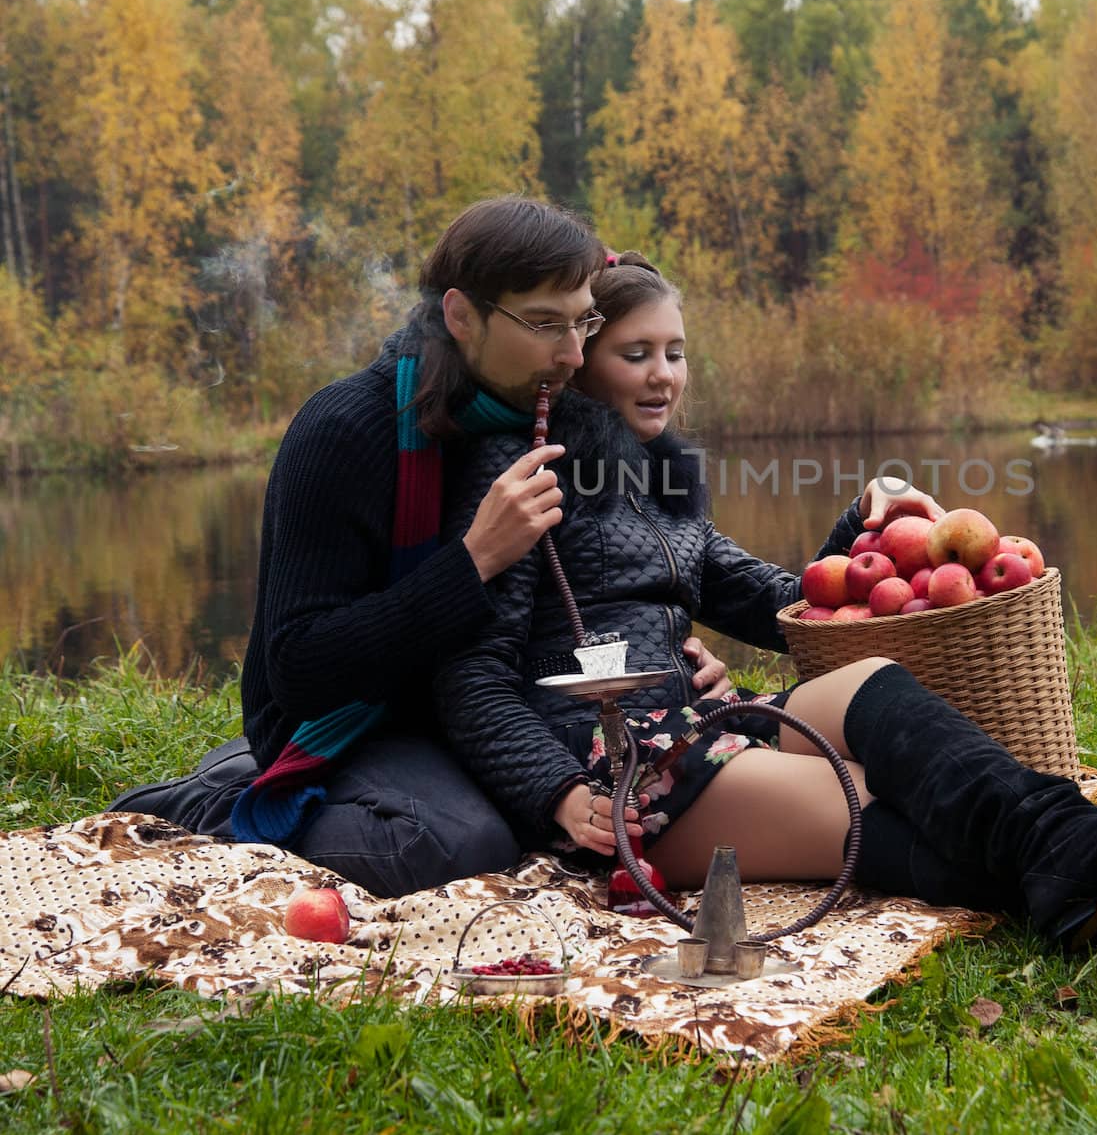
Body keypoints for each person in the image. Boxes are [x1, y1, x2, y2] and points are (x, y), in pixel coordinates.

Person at [434, 253, 1097, 947]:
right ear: (579, 361)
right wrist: (555, 791)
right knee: (877, 803)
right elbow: (470, 673)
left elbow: (777, 598)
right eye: (636, 354)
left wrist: (860, 527)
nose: (664, 377)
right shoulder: (524, 477)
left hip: (695, 732)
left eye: (677, 351)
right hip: (616, 776)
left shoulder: (666, 481)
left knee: (872, 680)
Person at [111, 199, 728, 898]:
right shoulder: (345, 428)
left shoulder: (537, 420)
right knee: (455, 846)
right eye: (546, 325)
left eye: (582, 321)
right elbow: (298, 669)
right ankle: (220, 799)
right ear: (462, 316)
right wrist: (472, 563)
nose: (574, 354)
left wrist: (667, 652)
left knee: (546, 812)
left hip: (478, 709)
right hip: (357, 718)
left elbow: (611, 572)